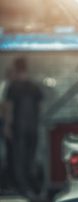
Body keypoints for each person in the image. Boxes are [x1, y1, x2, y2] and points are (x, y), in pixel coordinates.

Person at [3, 57, 43, 196]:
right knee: (30, 158)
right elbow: (39, 108)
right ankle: (32, 188)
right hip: (33, 128)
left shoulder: (13, 87)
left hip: (18, 129)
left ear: (16, 68)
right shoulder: (34, 86)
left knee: (17, 160)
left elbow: (9, 108)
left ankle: (22, 189)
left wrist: (7, 127)